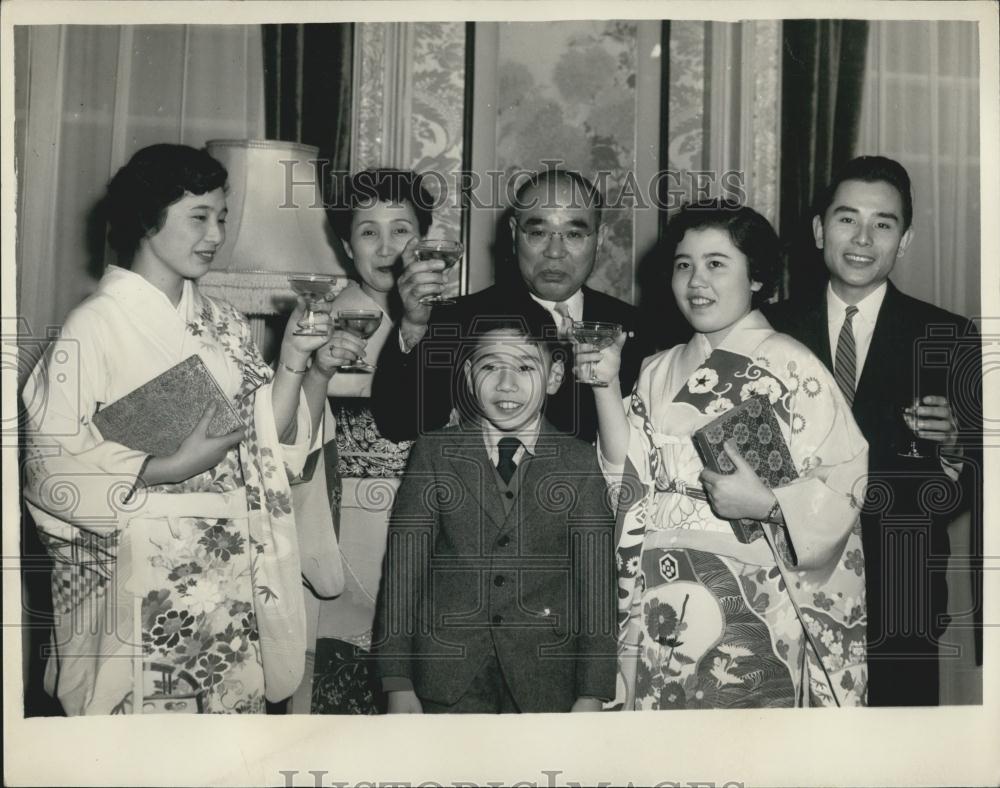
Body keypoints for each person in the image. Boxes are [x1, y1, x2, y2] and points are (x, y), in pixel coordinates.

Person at [20, 143, 361, 715]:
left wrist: (296, 360)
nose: (215, 234)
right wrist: (169, 467)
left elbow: (262, 440)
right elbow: (46, 463)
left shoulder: (221, 321)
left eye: (221, 217)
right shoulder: (94, 324)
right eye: (198, 217)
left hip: (225, 566)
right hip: (138, 565)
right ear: (146, 219)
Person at [587, 200, 870, 709]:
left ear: (757, 278)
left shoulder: (792, 364)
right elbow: (626, 477)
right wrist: (605, 385)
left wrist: (766, 504)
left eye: (717, 263)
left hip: (753, 584)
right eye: (683, 265)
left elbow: (846, 482)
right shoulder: (656, 368)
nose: (697, 280)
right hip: (660, 579)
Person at [764, 155, 983, 706]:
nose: (863, 238)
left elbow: (974, 485)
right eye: (846, 219)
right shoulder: (769, 331)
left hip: (900, 602)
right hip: (784, 589)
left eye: (883, 224)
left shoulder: (949, 336)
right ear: (818, 230)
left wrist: (957, 446)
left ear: (904, 240)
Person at [373, 322, 617, 713]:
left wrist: (592, 693)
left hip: (546, 685)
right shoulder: (435, 452)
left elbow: (597, 587)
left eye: (524, 368)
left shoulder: (581, 462)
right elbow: (404, 573)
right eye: (489, 368)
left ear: (554, 376)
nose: (506, 384)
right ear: (469, 377)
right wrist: (397, 681)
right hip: (444, 682)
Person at [371, 169, 653, 443]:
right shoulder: (460, 318)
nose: (554, 253)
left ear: (600, 239)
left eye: (574, 235)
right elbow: (399, 424)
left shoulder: (635, 327)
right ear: (514, 234)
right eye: (539, 233)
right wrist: (415, 325)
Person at [297, 169, 432, 714]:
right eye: (368, 231)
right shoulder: (316, 322)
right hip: (337, 517)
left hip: (423, 519)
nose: (386, 247)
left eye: (401, 230)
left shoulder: (454, 322)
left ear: (423, 238)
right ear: (345, 243)